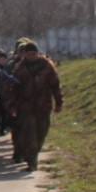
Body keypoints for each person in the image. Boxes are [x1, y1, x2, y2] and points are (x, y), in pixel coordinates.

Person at [8, 39, 64, 171]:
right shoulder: (20, 69)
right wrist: (12, 105)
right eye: (29, 53)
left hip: (43, 106)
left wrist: (59, 102)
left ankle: (34, 153)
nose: (31, 56)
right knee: (29, 134)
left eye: (34, 53)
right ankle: (32, 161)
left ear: (37, 53)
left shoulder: (47, 67)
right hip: (26, 107)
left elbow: (55, 85)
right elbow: (13, 89)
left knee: (41, 132)